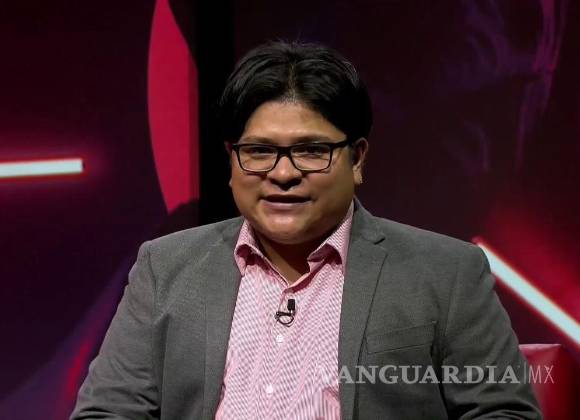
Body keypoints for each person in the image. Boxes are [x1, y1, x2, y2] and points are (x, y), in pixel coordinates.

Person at [71, 41, 541, 419]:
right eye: (259, 151)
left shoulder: (446, 273)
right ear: (232, 160)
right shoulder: (166, 267)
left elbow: (504, 412)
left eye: (311, 151)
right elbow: (108, 411)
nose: (283, 174)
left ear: (357, 159)